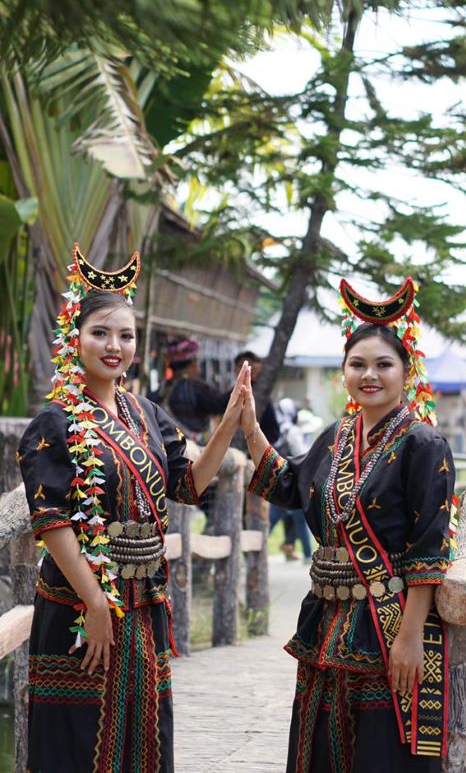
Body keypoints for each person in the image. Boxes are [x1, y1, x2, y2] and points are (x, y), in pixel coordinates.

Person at [18, 243, 249, 773]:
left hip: (143, 604)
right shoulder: (54, 422)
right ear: (75, 339)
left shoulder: (145, 412)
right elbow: (51, 522)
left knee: (143, 734)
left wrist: (230, 424)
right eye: (100, 332)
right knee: (78, 740)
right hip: (81, 603)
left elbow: (186, 485)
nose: (114, 345)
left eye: (126, 335)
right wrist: (96, 605)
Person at [241, 277, 455, 773]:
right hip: (327, 619)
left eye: (383, 364)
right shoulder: (334, 437)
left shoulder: (424, 445)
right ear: (344, 372)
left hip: (389, 623)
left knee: (382, 752)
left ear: (406, 371)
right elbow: (290, 485)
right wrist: (250, 427)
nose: (369, 375)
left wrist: (410, 636)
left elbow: (430, 548)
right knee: (322, 749)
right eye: (357, 364)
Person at [164, 337, 229, 443]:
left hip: (172, 443)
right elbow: (220, 404)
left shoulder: (166, 387)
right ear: (193, 363)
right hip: (194, 447)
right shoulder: (194, 386)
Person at [270, 398, 312, 562]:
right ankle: (308, 555)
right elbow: (301, 454)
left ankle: (252, 553)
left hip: (278, 480)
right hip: (294, 481)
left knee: (271, 520)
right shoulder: (291, 431)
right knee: (300, 520)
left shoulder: (276, 430)